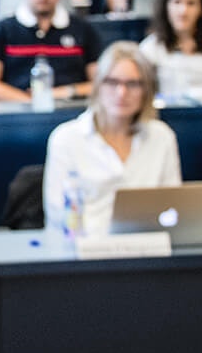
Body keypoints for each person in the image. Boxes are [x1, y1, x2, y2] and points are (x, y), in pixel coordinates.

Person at [42, 42, 181, 236]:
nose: (121, 93)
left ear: (146, 90)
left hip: (147, 244)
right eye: (112, 82)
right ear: (98, 85)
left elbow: (173, 207)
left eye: (132, 84)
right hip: (84, 246)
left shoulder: (162, 136)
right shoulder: (66, 138)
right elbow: (59, 215)